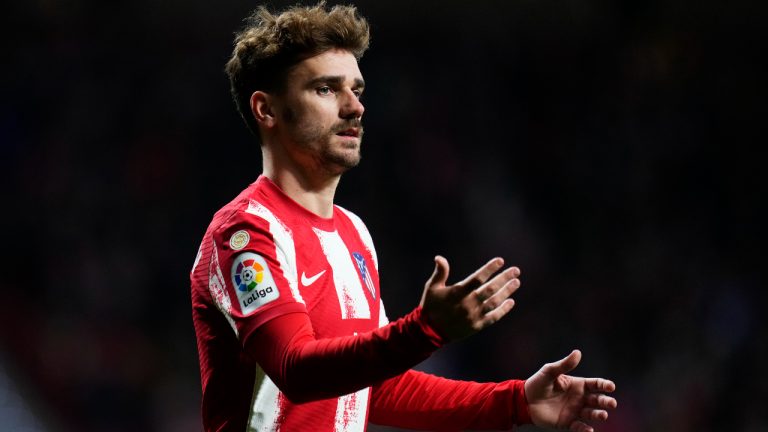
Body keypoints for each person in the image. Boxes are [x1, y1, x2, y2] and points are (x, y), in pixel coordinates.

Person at [190, 3, 617, 431]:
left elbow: (376, 387)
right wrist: (424, 330)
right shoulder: (245, 231)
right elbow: (296, 370)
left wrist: (515, 401)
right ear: (266, 110)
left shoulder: (354, 233)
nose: (354, 107)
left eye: (357, 90)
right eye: (326, 89)